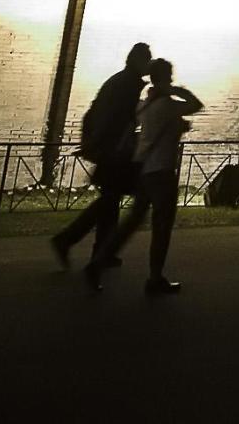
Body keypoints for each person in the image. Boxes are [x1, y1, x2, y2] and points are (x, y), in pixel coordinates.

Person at [50, 41, 154, 282]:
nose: (149, 63)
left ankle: (100, 252)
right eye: (146, 59)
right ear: (138, 61)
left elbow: (99, 114)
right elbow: (118, 122)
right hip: (115, 153)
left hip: (109, 149)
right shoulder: (127, 85)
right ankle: (68, 241)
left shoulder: (119, 81)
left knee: (111, 200)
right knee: (111, 200)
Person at [122, 57, 205, 295]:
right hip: (163, 172)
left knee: (133, 219)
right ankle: (155, 277)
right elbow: (196, 105)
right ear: (166, 78)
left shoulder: (144, 105)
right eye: (170, 76)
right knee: (161, 227)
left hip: (145, 170)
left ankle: (99, 261)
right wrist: (176, 90)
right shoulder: (168, 105)